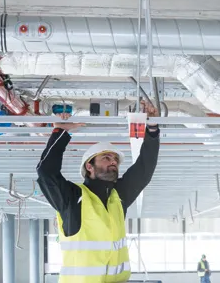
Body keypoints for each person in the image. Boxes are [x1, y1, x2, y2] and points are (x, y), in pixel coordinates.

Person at [37, 101, 161, 282]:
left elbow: (144, 169)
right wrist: (60, 133)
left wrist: (152, 128)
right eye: (106, 157)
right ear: (89, 166)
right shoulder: (73, 198)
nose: (113, 162)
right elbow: (46, 172)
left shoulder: (117, 198)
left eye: (115, 160)